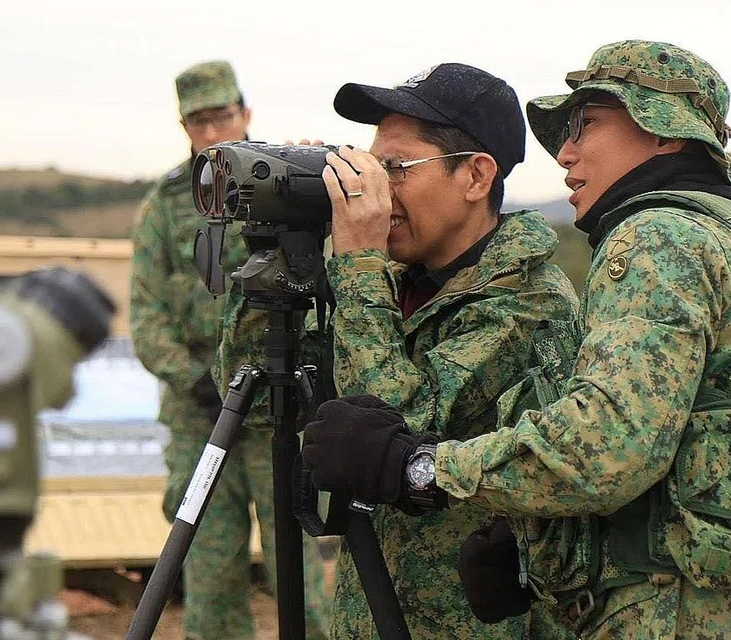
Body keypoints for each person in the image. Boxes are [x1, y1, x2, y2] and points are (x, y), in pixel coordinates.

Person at [301, 40, 731, 639]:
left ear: (665, 134)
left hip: (678, 613)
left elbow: (609, 445)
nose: (565, 153)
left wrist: (421, 467)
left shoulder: (657, 238)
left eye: (585, 125)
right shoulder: (727, 235)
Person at [215, 63, 580, 638]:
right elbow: (260, 399)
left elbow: (388, 434)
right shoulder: (393, 283)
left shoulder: (526, 301)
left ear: (476, 177)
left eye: (395, 169)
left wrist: (357, 263)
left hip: (465, 624)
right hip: (371, 610)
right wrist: (283, 240)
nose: (375, 190)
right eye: (369, 167)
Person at [129, 60, 329, 640]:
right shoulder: (165, 207)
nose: (212, 134)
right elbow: (146, 316)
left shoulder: (283, 189)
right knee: (210, 580)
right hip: (199, 419)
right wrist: (196, 379)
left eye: (221, 118)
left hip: (277, 415)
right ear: (184, 126)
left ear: (245, 114)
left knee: (299, 578)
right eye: (198, 123)